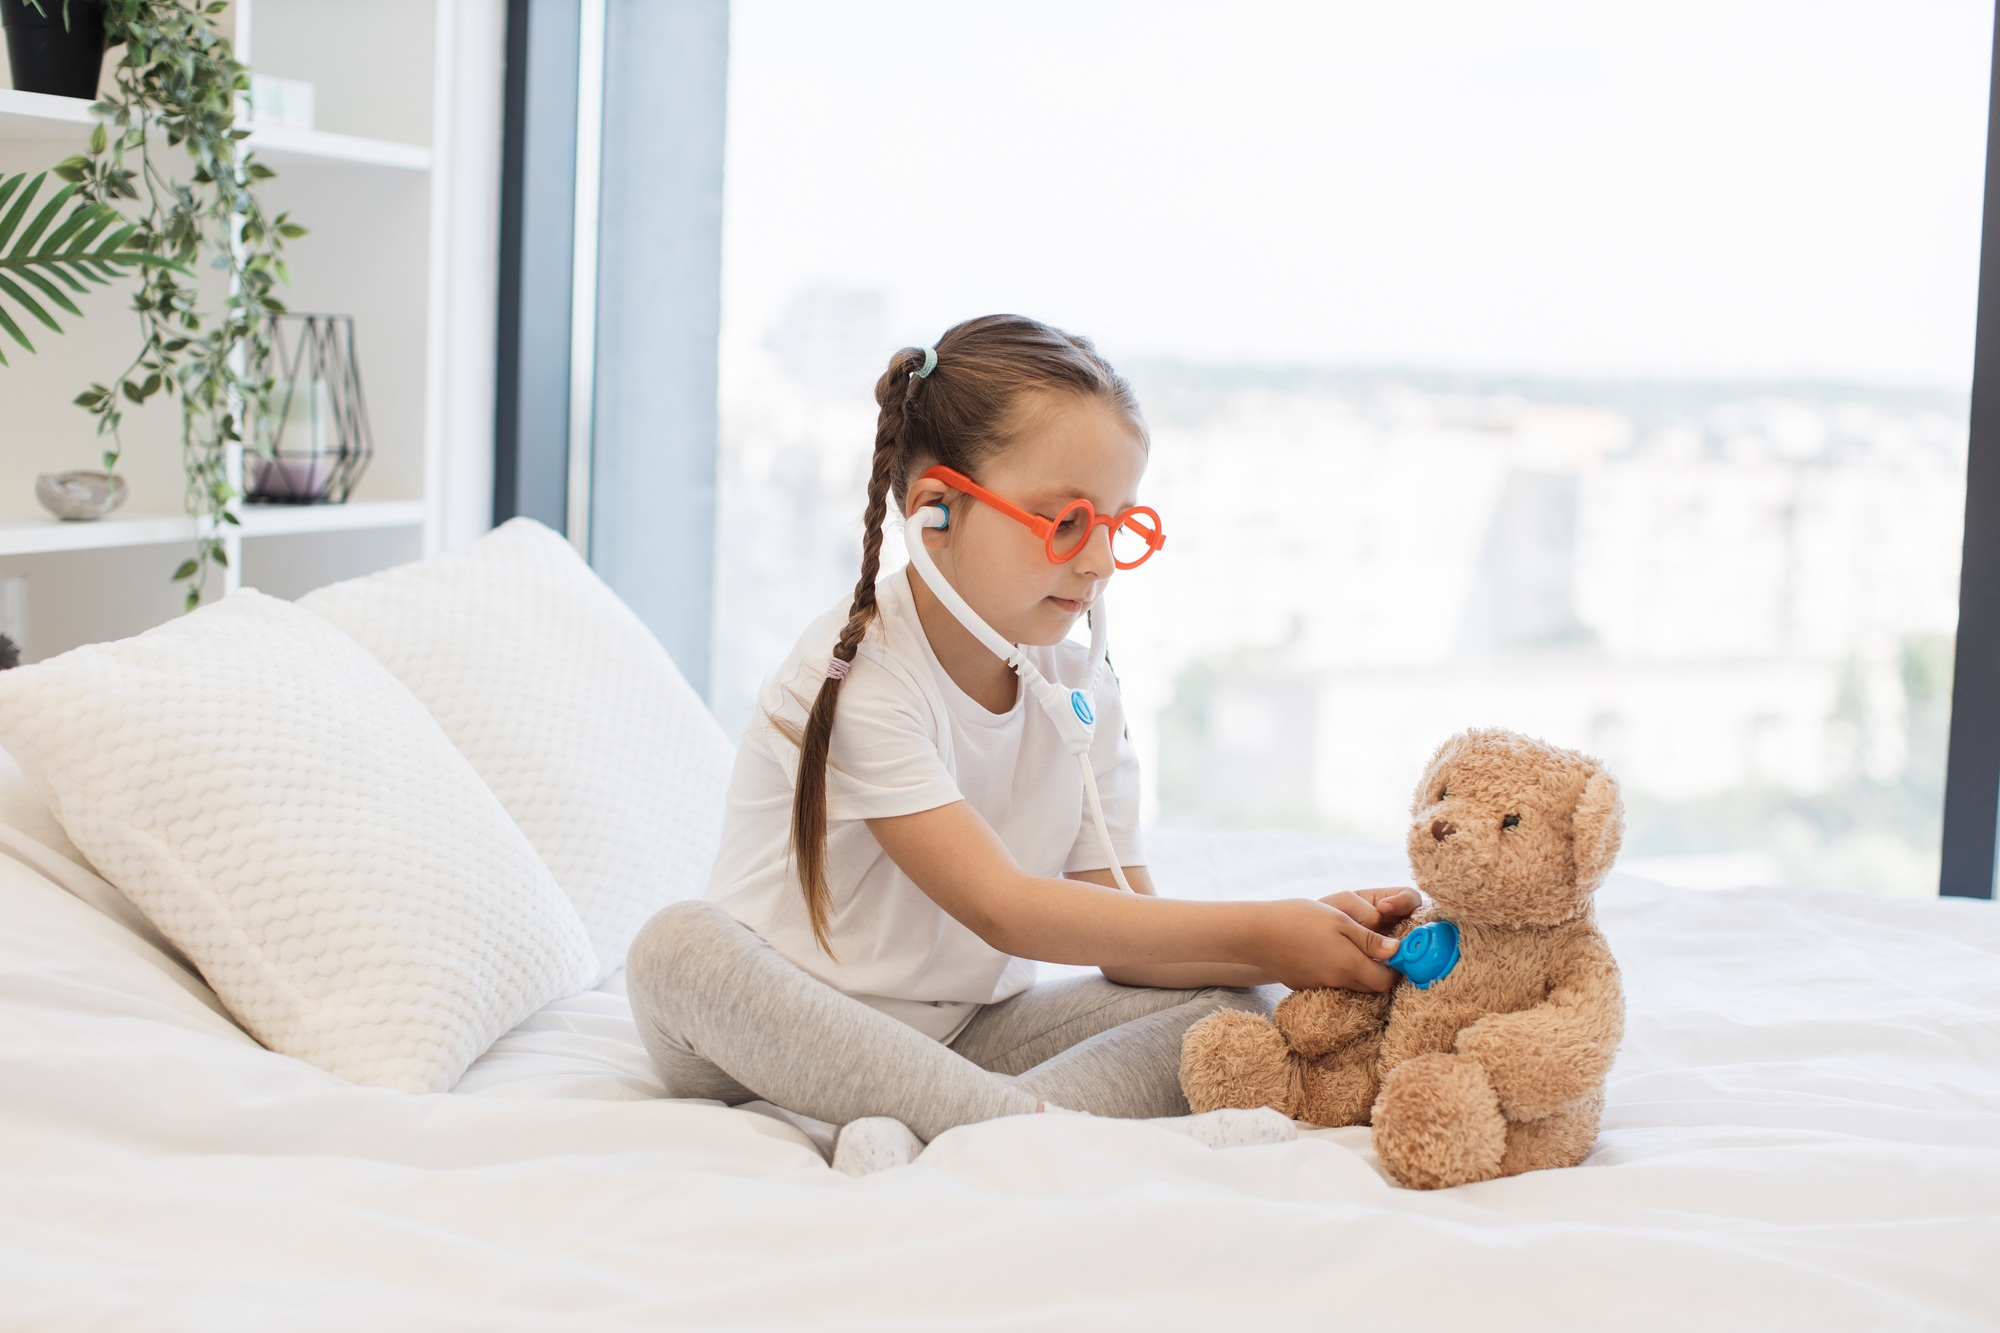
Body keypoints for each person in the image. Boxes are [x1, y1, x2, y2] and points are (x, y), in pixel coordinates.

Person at [629, 314, 1417, 1174]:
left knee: (1231, 1002)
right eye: (1066, 521)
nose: (1101, 562)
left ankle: (940, 1122)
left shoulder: (1082, 685)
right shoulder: (859, 674)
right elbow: (1001, 905)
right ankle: (1032, 1128)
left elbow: (1130, 936)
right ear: (936, 510)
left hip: (962, 1035)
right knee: (677, 945)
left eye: (1119, 523)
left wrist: (1301, 940)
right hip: (761, 1040)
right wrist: (1265, 927)